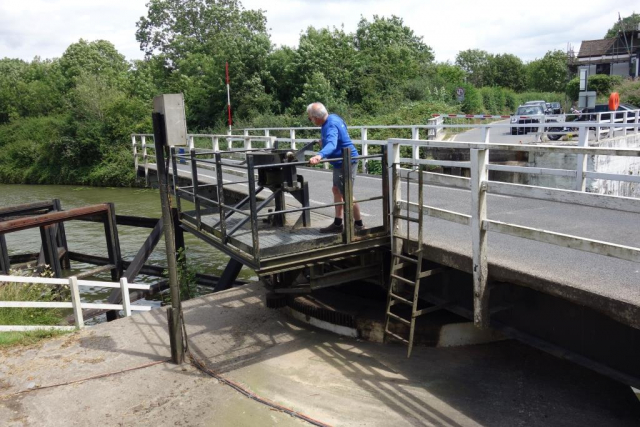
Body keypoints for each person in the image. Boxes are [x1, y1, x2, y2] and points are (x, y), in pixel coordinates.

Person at [307, 102, 365, 233]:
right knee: (336, 190)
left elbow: (332, 144)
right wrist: (324, 142)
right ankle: (338, 224)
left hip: (347, 161)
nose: (310, 120)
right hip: (340, 161)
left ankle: (359, 224)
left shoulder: (331, 124)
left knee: (347, 193)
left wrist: (319, 155)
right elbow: (337, 139)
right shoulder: (332, 118)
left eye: (309, 118)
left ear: (316, 117)